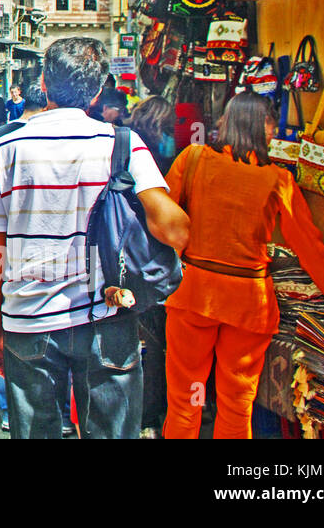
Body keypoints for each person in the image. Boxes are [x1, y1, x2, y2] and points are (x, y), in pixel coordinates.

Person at [0, 38, 190, 439]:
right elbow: (174, 229)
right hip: (107, 319)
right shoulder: (122, 146)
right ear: (96, 90)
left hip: (28, 320)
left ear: (45, 84)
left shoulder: (5, 148)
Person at [162, 92, 324, 439]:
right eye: (271, 123)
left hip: (193, 294)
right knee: (237, 405)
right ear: (259, 125)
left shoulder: (192, 159)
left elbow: (164, 219)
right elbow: (307, 244)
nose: (274, 132)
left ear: (229, 121)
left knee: (185, 400)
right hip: (247, 305)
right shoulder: (277, 179)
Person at [0, 79, 74, 435]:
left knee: (5, 330)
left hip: (6, 262)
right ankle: (60, 408)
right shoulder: (79, 144)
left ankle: (11, 407)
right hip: (66, 268)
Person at [124, 93, 179, 437]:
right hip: (153, 256)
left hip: (121, 252)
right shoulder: (166, 154)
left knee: (126, 335)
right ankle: (147, 417)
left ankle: (128, 410)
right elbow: (169, 216)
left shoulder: (123, 144)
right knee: (155, 344)